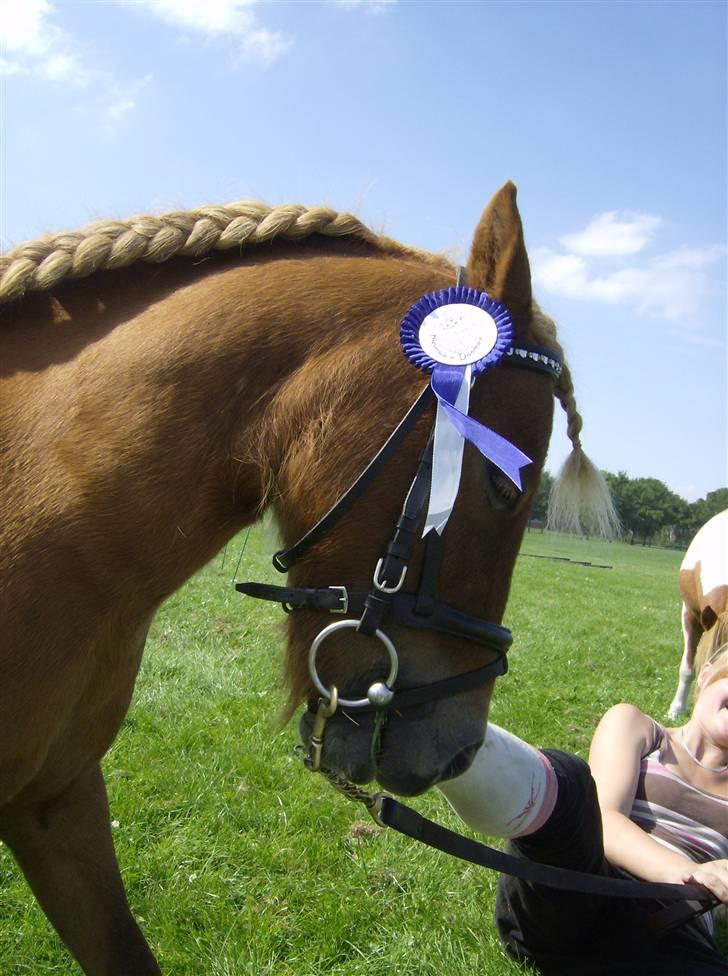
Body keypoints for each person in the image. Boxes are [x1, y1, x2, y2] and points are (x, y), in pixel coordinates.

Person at [438, 634, 728, 975]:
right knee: (572, 782)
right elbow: (605, 819)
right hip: (573, 894)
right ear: (707, 672)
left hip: (671, 936)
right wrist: (689, 872)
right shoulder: (639, 727)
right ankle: (444, 736)